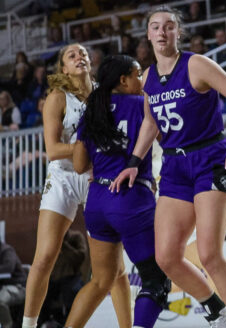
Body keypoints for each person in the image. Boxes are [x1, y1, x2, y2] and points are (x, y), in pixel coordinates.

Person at [111, 7, 226, 328]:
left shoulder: (196, 64)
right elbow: (150, 122)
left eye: (169, 27)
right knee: (166, 257)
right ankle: (216, 309)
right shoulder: (147, 78)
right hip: (175, 166)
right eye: (155, 27)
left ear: (178, 33)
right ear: (147, 35)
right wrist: (134, 162)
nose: (162, 32)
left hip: (210, 160)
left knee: (210, 255)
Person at [22, 45, 132, 328]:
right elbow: (53, 149)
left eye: (83, 53)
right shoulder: (58, 98)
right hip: (63, 178)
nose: (79, 57)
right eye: (72, 55)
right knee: (45, 256)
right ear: (64, 69)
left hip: (97, 178)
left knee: (116, 269)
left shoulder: (104, 94)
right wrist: (86, 148)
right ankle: (29, 324)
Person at [66, 55, 170, 328]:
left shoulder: (93, 110)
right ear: (123, 80)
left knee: (101, 281)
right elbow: (170, 139)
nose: (141, 80)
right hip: (130, 198)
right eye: (137, 75)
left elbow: (78, 165)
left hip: (97, 203)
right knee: (155, 280)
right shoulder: (141, 104)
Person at [0, 240, 26, 328]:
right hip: (4, 287)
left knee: (0, 301)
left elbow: (8, 268)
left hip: (18, 286)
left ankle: (7, 326)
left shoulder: (7, 250)